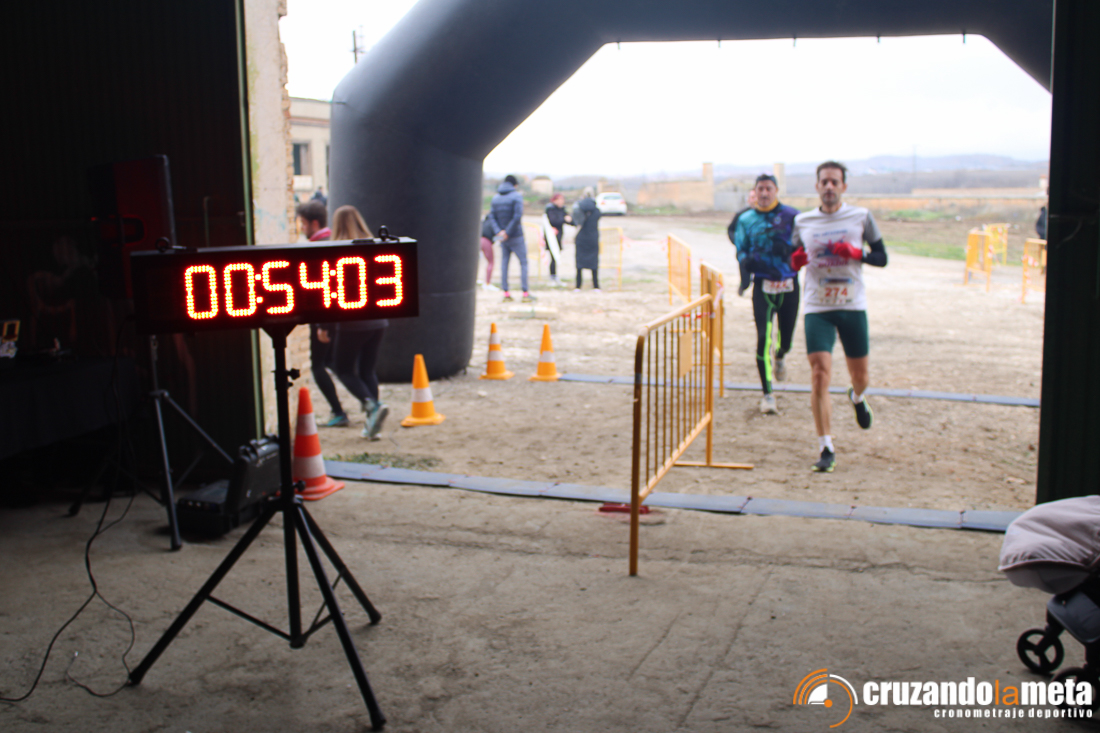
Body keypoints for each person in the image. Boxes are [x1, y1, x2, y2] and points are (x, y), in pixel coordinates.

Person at [791, 161, 888, 473]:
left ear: (844, 186)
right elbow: (792, 259)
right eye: (824, 182)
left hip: (851, 305)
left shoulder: (861, 217)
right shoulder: (802, 221)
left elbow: (882, 257)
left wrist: (857, 254)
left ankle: (857, 397)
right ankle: (826, 447)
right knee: (819, 373)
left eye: (835, 182)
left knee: (861, 376)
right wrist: (795, 262)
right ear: (817, 186)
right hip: (817, 306)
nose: (829, 187)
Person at [729, 174, 801, 415]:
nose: (764, 193)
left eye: (768, 188)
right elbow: (740, 247)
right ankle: (767, 394)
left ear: (776, 191)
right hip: (763, 287)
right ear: (755, 192)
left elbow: (804, 247)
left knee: (786, 339)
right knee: (763, 339)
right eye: (760, 189)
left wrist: (790, 252)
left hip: (789, 285)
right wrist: (746, 262)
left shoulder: (793, 216)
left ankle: (781, 355)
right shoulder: (746, 219)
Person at [329, 205, 390, 440]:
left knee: (343, 369)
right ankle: (373, 425)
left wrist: (324, 325)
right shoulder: (374, 247)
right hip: (379, 321)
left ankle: (372, 406)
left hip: (352, 322)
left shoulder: (337, 251)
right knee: (367, 371)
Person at [296, 201, 346, 427]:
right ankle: (370, 404)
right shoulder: (334, 241)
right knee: (336, 364)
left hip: (324, 321)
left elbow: (323, 290)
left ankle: (339, 411)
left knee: (318, 366)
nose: (302, 228)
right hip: (338, 318)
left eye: (303, 223)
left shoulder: (318, 247)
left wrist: (322, 325)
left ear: (314, 223)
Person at [489, 175, 533, 303]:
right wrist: (508, 232)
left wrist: (500, 232)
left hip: (503, 237)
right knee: (523, 263)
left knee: (504, 263)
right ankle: (525, 293)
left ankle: (506, 293)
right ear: (515, 185)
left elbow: (492, 217)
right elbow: (517, 216)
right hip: (516, 235)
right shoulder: (517, 196)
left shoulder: (495, 198)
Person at [572, 187, 601, 291]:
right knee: (594, 263)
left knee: (579, 263)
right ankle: (596, 286)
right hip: (593, 238)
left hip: (581, 238)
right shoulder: (596, 210)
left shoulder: (578, 209)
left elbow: (574, 222)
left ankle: (578, 286)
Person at [545, 193, 572, 287]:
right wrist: (564, 219)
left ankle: (555, 276)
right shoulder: (550, 209)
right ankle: (552, 276)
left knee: (556, 257)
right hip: (552, 236)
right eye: (559, 199)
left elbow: (569, 220)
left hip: (559, 236)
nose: (561, 201)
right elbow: (553, 221)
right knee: (553, 256)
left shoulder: (562, 209)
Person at [479, 212, 498, 290]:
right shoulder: (493, 224)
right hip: (486, 241)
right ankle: (487, 283)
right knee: (491, 262)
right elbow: (497, 236)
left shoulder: (482, 222)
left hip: (477, 240)